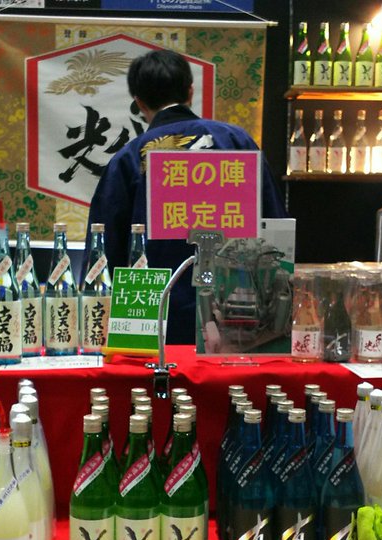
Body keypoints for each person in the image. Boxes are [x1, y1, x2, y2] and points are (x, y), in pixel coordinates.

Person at [86, 49, 286, 345]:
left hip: (154, 323)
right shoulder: (237, 141)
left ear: (139, 103)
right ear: (190, 92)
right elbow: (275, 225)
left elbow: (104, 250)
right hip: (238, 317)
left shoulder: (129, 159)